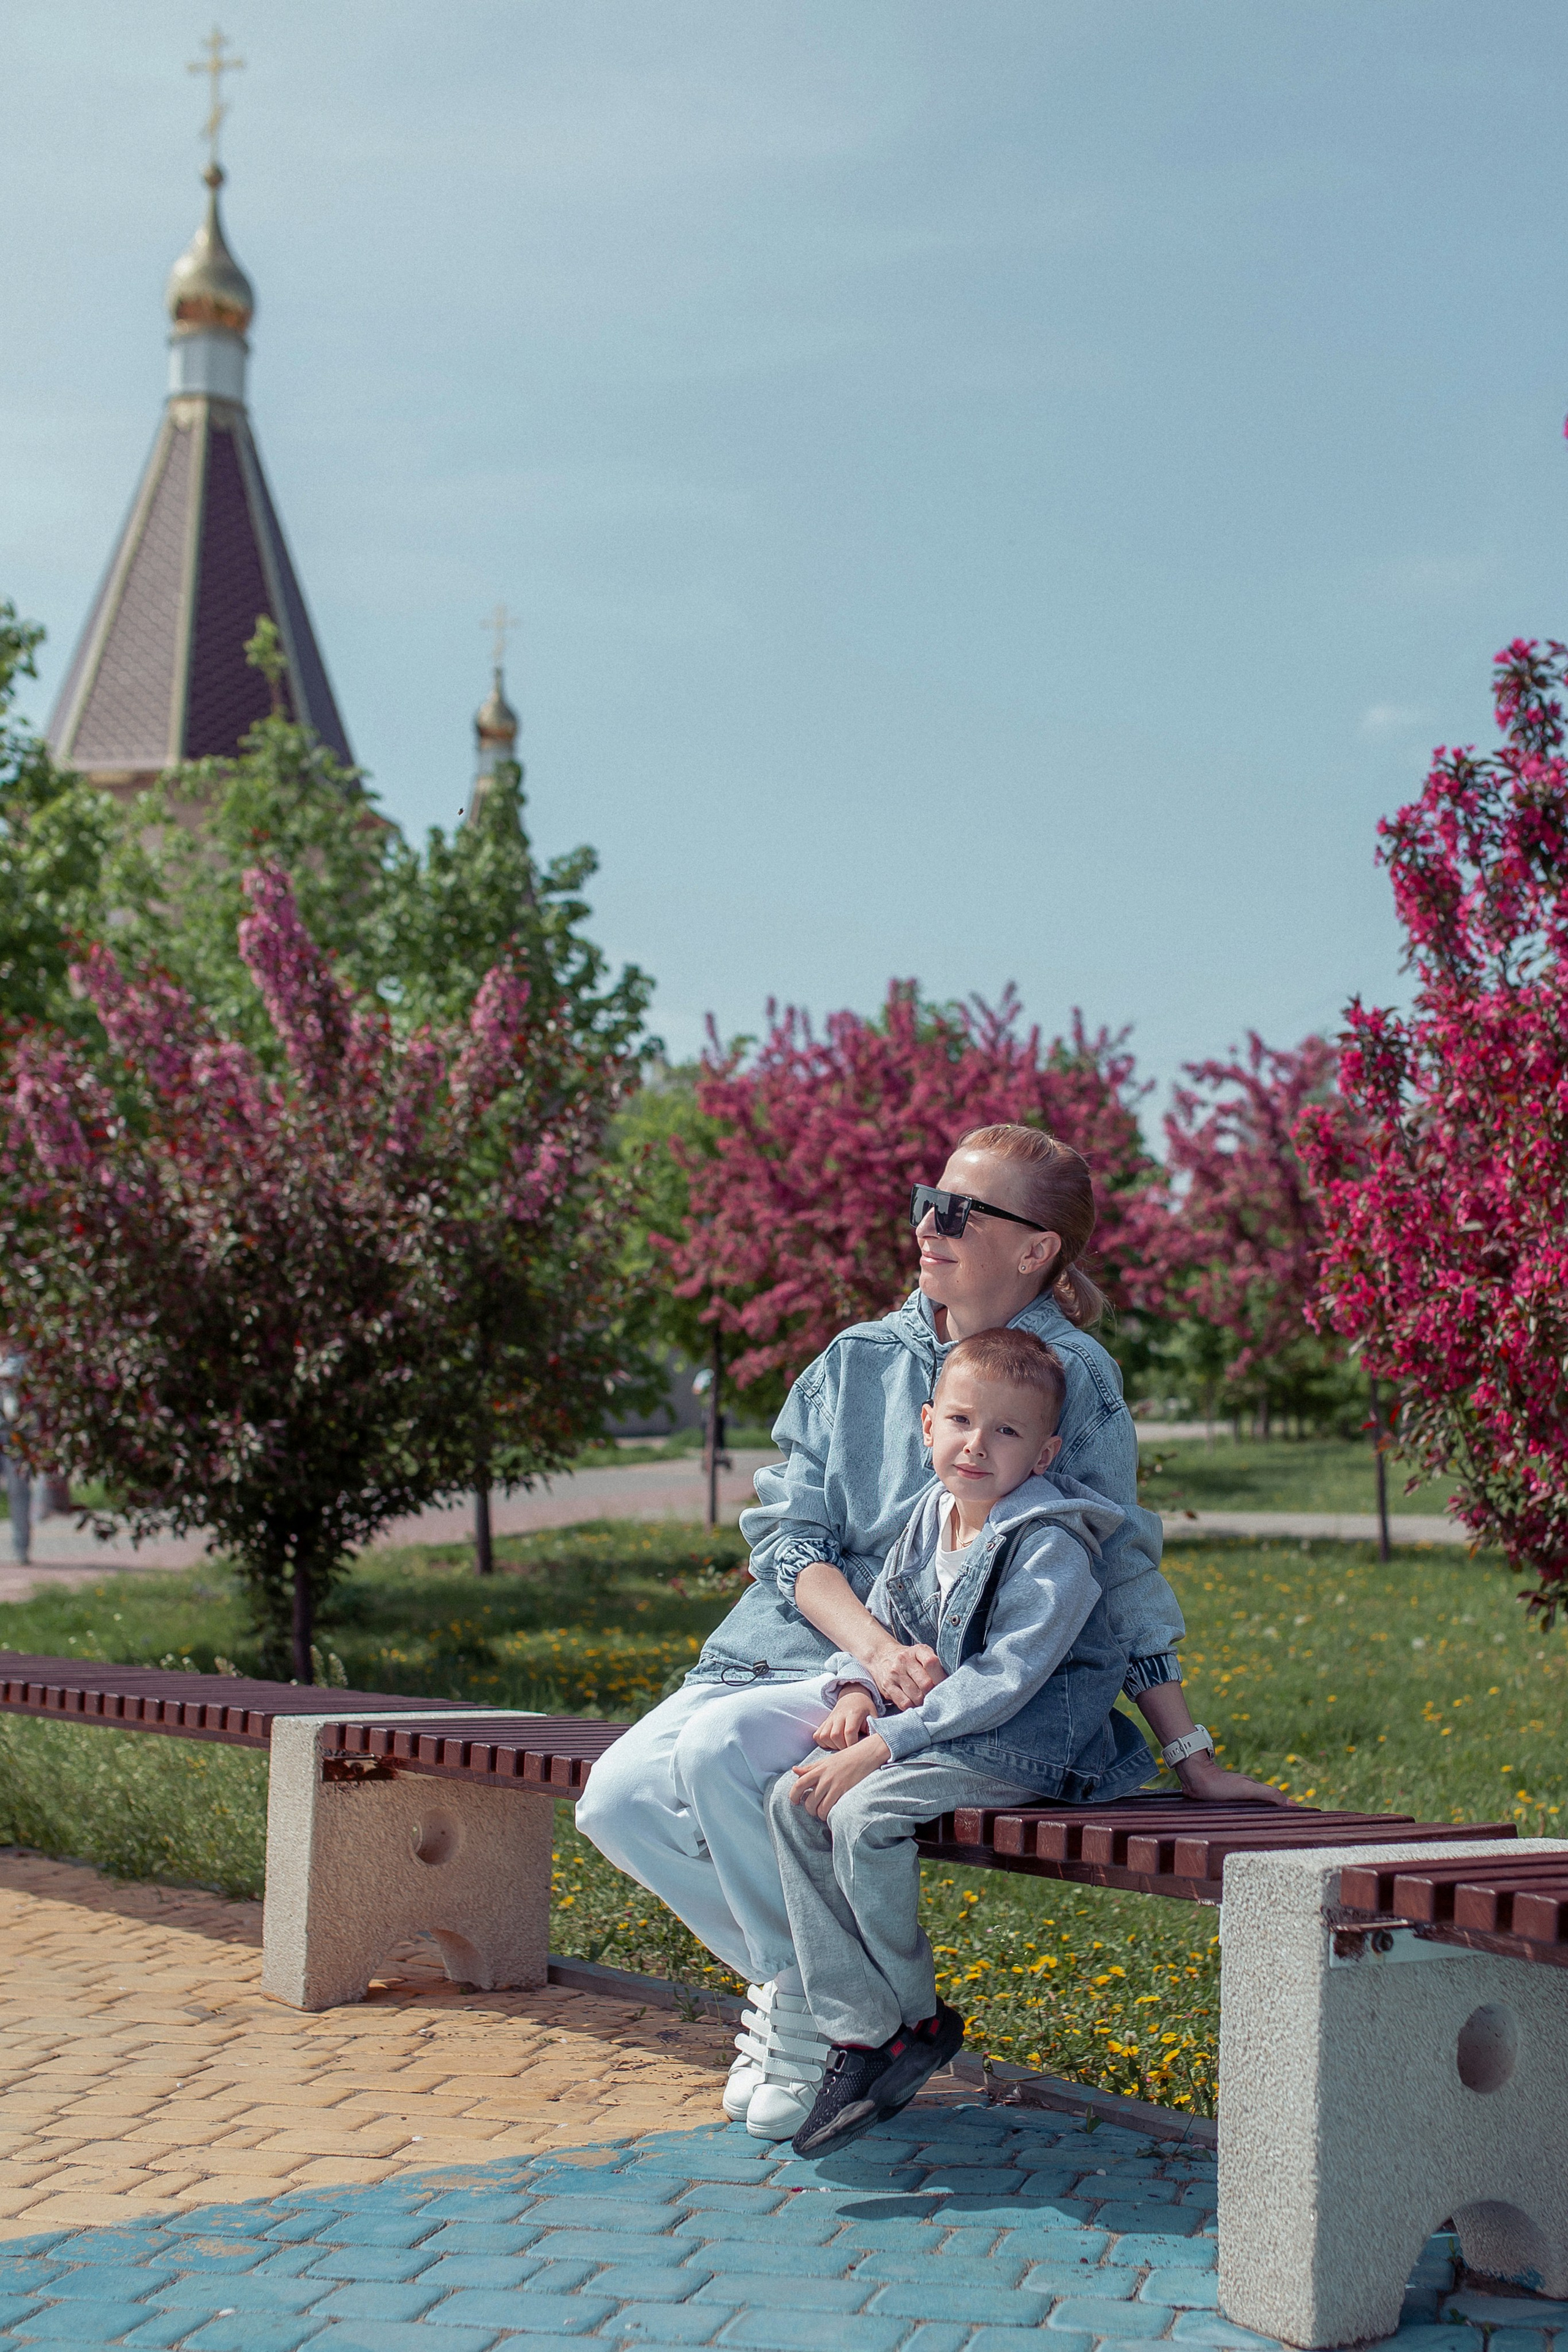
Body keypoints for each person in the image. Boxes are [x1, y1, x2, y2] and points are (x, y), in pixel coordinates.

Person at [575, 1122, 1287, 2139]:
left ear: (1036, 1248)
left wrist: (1190, 1750)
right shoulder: (857, 1359)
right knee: (617, 1800)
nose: (927, 1224)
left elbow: (1117, 1568)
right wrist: (867, 1653)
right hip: (803, 1652)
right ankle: (816, 1998)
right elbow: (786, 1540)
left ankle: (828, 2018)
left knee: (718, 1760)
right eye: (926, 1199)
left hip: (942, 1692)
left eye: (959, 1210)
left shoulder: (1071, 1378)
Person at [769, 1322, 1145, 2154]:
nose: (979, 1446)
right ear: (928, 1423)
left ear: (1043, 1456)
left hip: (1033, 1742)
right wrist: (863, 1691)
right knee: (792, 1801)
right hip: (951, 1732)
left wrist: (888, 1747)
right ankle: (865, 2027)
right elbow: (894, 1624)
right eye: (965, 1422)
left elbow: (1008, 1679)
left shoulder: (1049, 1544)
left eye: (1007, 1432)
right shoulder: (931, 1517)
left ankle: (910, 2019)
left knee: (865, 1821)